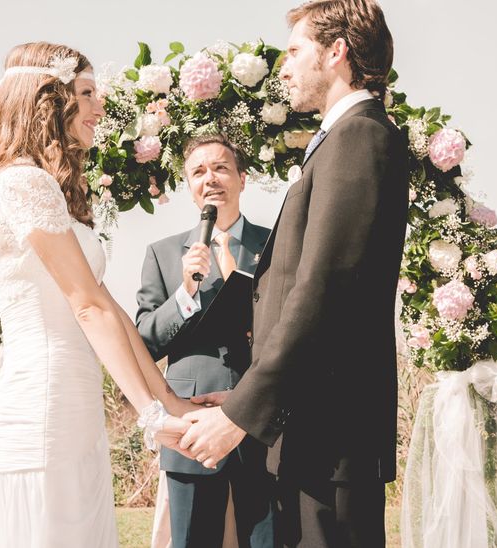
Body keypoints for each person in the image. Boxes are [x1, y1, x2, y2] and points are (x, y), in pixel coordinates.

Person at [178, 1, 408, 545]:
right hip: (307, 432)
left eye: (294, 50)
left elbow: (323, 291)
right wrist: (240, 395)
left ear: (336, 52)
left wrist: (240, 414)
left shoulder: (359, 137)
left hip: (331, 437)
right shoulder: (335, 140)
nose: (283, 66)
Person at [0, 42, 193, 547]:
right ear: (50, 100)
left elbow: (107, 306)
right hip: (41, 408)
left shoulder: (50, 189)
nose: (98, 107)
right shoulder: (22, 183)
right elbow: (85, 306)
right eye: (85, 93)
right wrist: (148, 417)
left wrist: (168, 400)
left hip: (72, 405)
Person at [136, 134, 274, 548]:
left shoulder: (277, 244)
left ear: (242, 179)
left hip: (263, 423)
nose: (210, 178)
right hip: (191, 427)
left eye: (220, 168)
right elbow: (143, 341)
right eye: (198, 172)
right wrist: (185, 294)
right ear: (189, 186)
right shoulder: (162, 254)